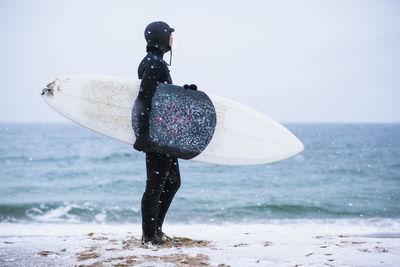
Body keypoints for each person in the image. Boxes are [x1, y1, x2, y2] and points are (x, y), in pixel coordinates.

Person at [133, 21, 180, 245]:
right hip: (156, 135)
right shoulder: (153, 64)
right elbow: (144, 98)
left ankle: (156, 230)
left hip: (164, 133)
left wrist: (184, 93)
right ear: (163, 38)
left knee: (172, 182)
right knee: (155, 184)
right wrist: (143, 136)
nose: (173, 40)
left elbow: (162, 97)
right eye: (170, 36)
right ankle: (149, 236)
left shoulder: (156, 62)